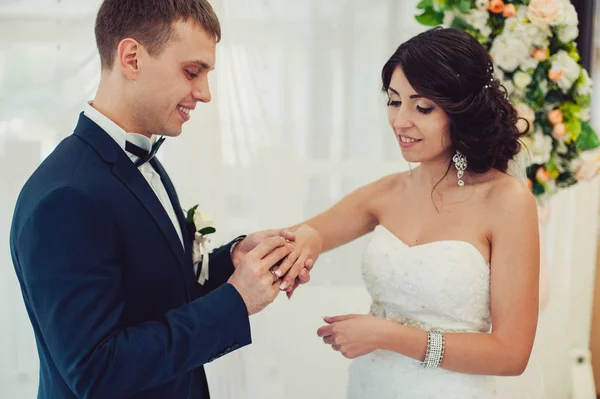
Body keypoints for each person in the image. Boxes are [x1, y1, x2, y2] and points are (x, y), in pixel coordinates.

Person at [9, 1, 312, 398]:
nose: (204, 94)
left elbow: (154, 292)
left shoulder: (142, 158)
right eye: (192, 72)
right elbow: (97, 371)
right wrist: (236, 301)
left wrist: (232, 260)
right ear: (132, 58)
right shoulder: (67, 197)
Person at [274, 27, 541, 398]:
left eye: (423, 107)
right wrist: (304, 240)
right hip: (371, 385)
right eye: (394, 101)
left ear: (461, 110)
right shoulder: (388, 191)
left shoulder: (507, 201)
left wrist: (387, 335)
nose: (401, 121)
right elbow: (304, 234)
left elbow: (512, 354)